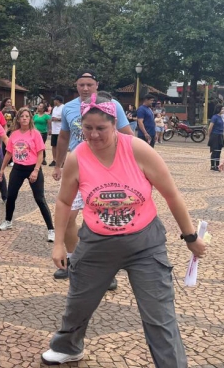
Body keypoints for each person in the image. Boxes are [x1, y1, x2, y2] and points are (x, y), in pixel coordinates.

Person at [42, 92, 206, 367]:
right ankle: (68, 346)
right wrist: (59, 242)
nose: (93, 135)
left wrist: (190, 237)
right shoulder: (77, 156)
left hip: (145, 244)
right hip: (96, 243)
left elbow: (172, 194)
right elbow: (63, 200)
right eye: (88, 128)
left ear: (114, 124)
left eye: (101, 128)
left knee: (159, 314)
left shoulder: (138, 150)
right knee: (79, 301)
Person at [51, 70, 134, 284]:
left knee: (107, 220)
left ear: (96, 85)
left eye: (89, 84)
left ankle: (109, 271)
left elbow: (127, 135)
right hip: (77, 166)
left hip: (107, 168)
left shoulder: (113, 105)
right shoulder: (69, 108)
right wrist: (58, 165)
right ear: (76, 86)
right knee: (68, 216)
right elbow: (63, 137)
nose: (85, 88)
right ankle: (72, 261)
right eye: (81, 85)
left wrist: (131, 165)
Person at [0, 107, 54, 241]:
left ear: (30, 119)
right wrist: (1, 169)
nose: (24, 118)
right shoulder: (14, 134)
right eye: (22, 116)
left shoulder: (35, 134)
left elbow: (41, 153)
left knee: (39, 198)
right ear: (18, 119)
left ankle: (51, 229)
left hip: (32, 168)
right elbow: (8, 153)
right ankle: (8, 221)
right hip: (17, 168)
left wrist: (36, 170)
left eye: (27, 116)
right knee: (11, 196)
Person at [207, 104, 224, 171]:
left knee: (219, 151)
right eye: (222, 109)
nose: (223, 110)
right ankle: (212, 165)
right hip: (215, 135)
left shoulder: (221, 117)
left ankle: (218, 165)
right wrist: (210, 135)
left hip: (220, 135)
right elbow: (210, 127)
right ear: (219, 109)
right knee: (214, 151)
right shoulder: (214, 117)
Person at [49, 96, 64, 166]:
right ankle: (54, 160)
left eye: (55, 100)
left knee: (61, 146)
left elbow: (65, 119)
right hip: (54, 130)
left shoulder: (64, 107)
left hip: (60, 130)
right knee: (53, 145)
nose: (54, 102)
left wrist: (57, 119)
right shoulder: (54, 108)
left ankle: (62, 160)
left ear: (58, 100)